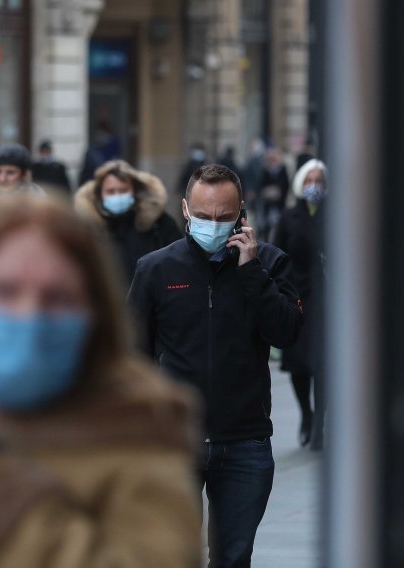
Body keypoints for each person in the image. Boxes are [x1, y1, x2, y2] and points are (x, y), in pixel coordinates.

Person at [0, 193, 202, 566]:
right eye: (5, 291)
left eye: (57, 297)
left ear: (95, 315)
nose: (30, 316)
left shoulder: (139, 429)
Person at [127, 164, 304, 567]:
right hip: (177, 440)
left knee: (233, 556)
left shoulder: (271, 264)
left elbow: (287, 333)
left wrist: (251, 271)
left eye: (224, 217)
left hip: (245, 439)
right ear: (186, 209)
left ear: (242, 212)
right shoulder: (156, 268)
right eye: (204, 216)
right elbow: (132, 353)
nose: (213, 225)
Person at [274, 159, 328, 450]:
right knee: (298, 365)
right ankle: (306, 414)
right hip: (296, 296)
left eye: (319, 181)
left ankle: (319, 421)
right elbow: (277, 253)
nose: (314, 187)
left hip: (326, 299)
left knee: (322, 364)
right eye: (309, 181)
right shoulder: (289, 217)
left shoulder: (336, 215)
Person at [74, 159, 181, 286]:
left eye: (123, 190)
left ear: (134, 192)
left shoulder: (159, 224)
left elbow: (177, 265)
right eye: (111, 191)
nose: (117, 196)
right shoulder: (86, 228)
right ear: (99, 194)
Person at [258, 147, 290, 241]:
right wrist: (267, 192)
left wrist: (278, 192)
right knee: (266, 225)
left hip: (279, 204)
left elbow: (285, 186)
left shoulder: (283, 170)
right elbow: (261, 185)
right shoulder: (266, 170)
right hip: (268, 204)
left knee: (278, 224)